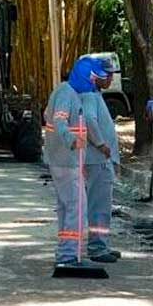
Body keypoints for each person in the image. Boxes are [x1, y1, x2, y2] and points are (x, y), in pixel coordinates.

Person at [43, 55, 112, 267]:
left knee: (67, 207)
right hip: (66, 159)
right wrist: (71, 140)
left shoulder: (66, 92)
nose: (94, 82)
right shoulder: (67, 93)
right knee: (76, 207)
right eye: (93, 78)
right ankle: (68, 256)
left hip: (65, 159)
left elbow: (48, 114)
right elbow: (58, 120)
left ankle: (65, 251)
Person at [80, 57, 122, 262]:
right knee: (99, 206)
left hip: (99, 159)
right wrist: (100, 144)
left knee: (101, 205)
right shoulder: (88, 95)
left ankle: (101, 243)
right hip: (97, 159)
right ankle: (97, 248)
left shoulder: (93, 94)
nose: (110, 79)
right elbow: (89, 120)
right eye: (109, 75)